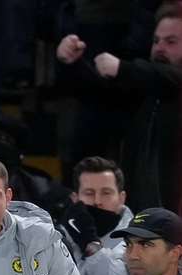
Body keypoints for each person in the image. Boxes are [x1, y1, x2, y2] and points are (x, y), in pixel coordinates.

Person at [56, 3, 182, 212]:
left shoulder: (158, 81)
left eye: (171, 42)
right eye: (156, 41)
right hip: (146, 219)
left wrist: (125, 69)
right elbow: (100, 95)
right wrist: (73, 63)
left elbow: (169, 79)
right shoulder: (146, 94)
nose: (159, 48)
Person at [59, 156, 133, 275]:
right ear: (75, 199)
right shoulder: (56, 239)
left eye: (106, 193)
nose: (97, 201)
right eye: (89, 193)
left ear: (122, 198)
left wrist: (91, 247)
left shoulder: (139, 241)